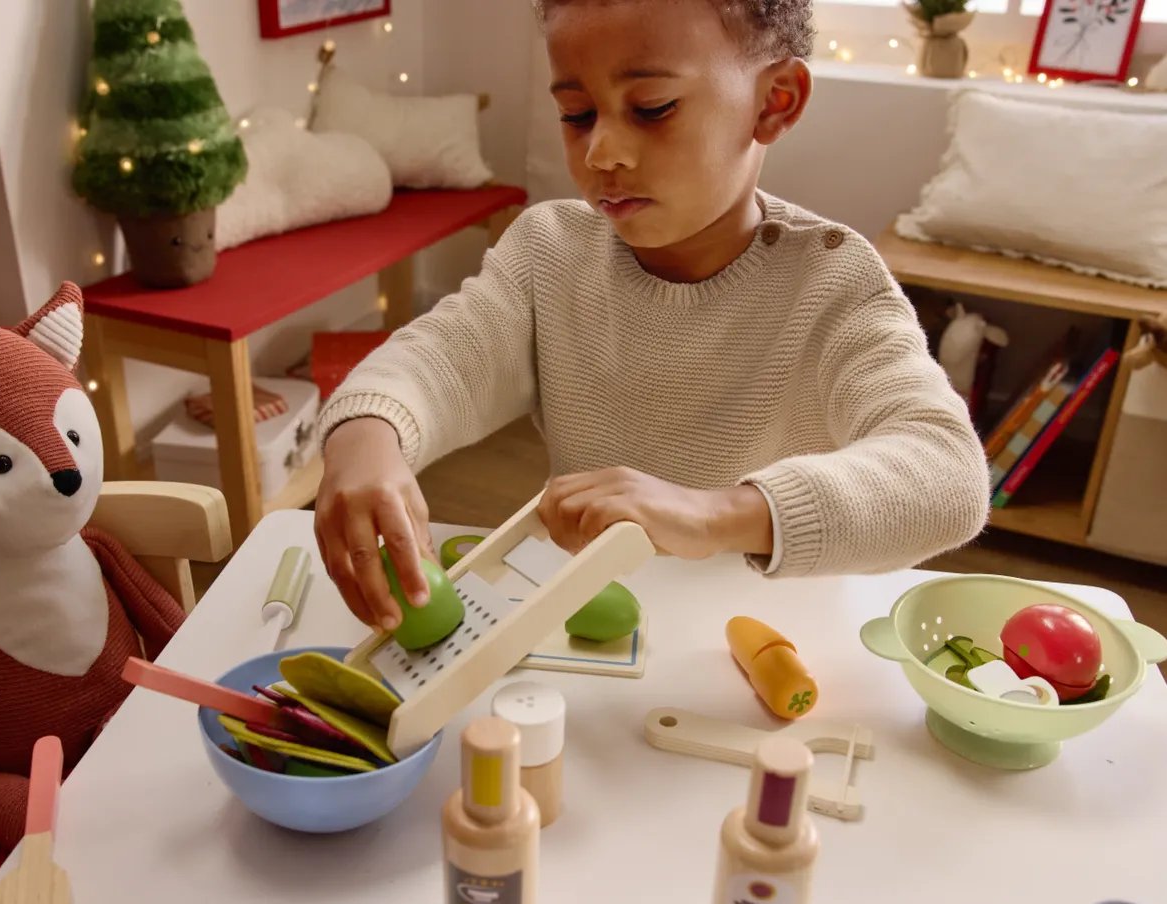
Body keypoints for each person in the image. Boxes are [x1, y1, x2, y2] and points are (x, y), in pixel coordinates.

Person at [311, 0, 990, 632]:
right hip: (588, 627)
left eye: (652, 108)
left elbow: (947, 474)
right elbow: (442, 357)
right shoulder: (549, 250)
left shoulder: (835, 283)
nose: (601, 152)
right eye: (577, 115)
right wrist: (366, 431)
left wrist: (719, 513)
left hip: (764, 644)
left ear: (775, 102)